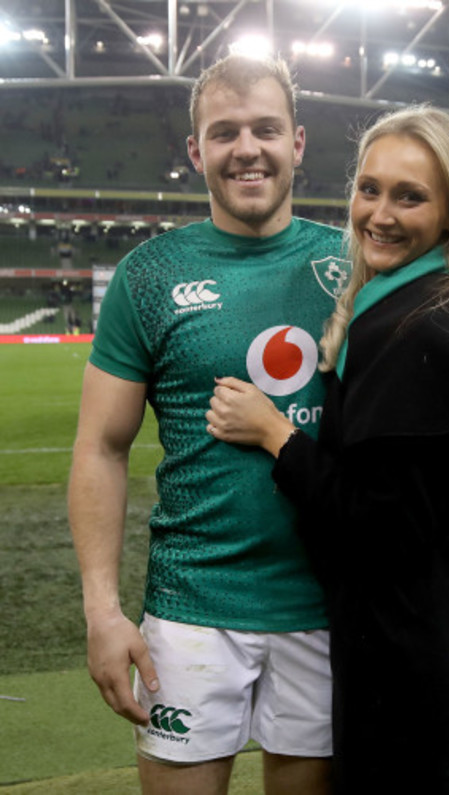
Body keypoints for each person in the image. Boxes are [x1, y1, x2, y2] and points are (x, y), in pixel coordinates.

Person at [205, 105, 449, 793]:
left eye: (410, 196)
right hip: (433, 625)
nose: (380, 213)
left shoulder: (420, 328)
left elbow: (377, 519)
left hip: (416, 646)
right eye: (369, 189)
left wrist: (273, 432)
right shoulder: (431, 302)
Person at [68, 54, 349, 795]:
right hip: (192, 607)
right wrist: (102, 609)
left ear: (298, 142)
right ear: (196, 151)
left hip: (326, 604)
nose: (246, 148)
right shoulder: (149, 275)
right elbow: (101, 445)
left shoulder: (351, 265)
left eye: (265, 128)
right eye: (224, 133)